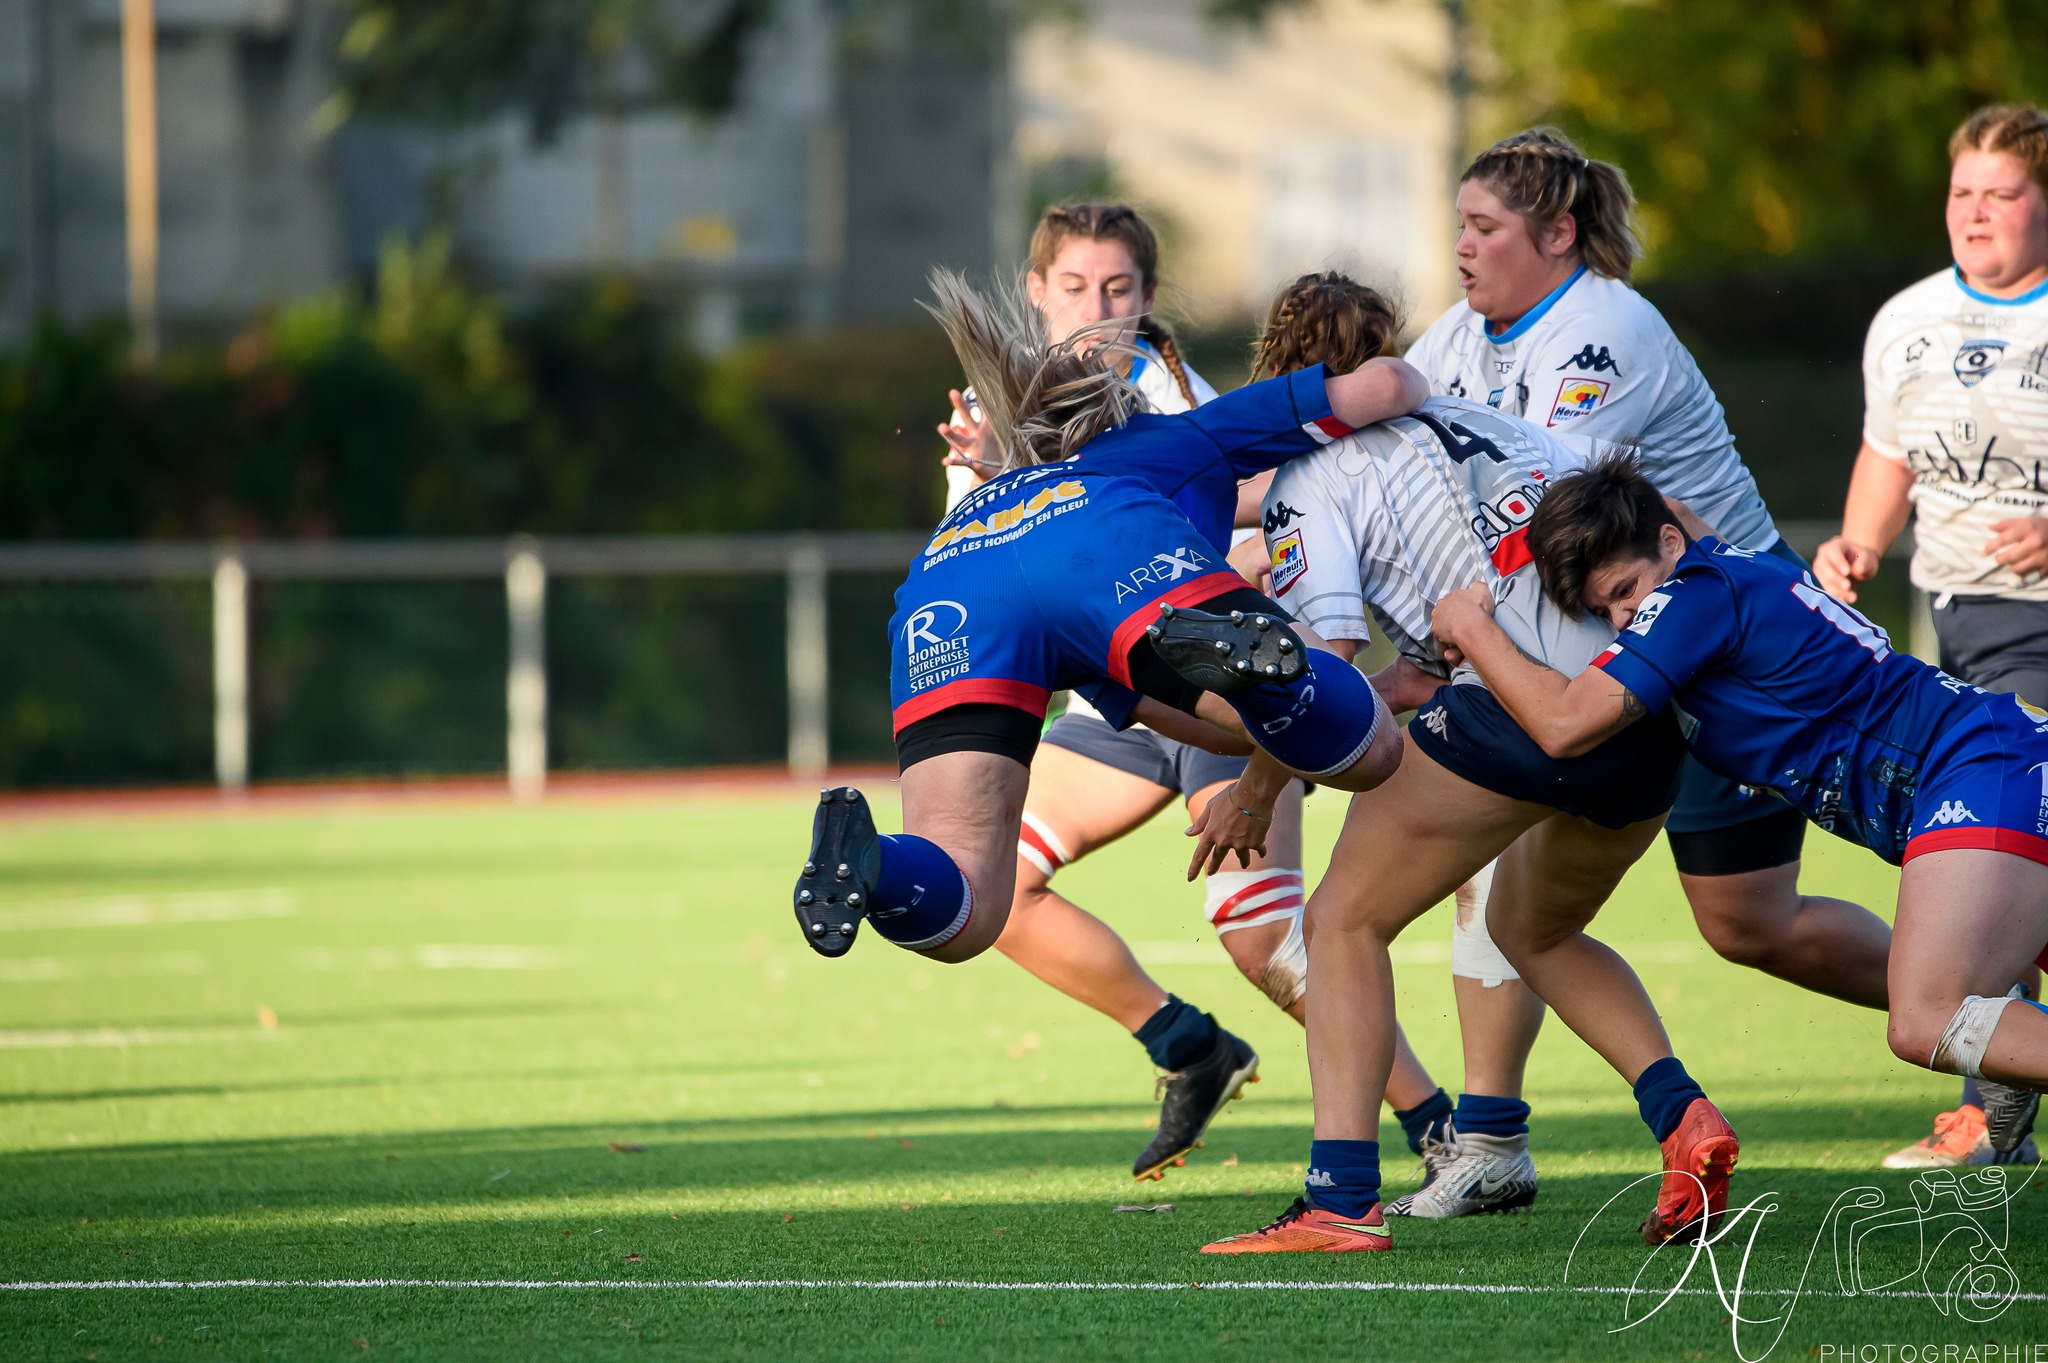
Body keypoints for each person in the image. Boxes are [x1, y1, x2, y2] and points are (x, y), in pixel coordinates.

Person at [1398, 125, 1900, 1165]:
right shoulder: (1453, 338)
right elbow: (1386, 458)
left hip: (1731, 646)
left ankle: (1982, 1009)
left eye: (1483, 227)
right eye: (1459, 225)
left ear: (1555, 235)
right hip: (1616, 641)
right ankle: (1489, 1138)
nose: (1461, 246)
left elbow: (1551, 507)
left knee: (1744, 919)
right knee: (1524, 888)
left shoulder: (1600, 331)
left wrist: (1450, 629)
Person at [1188, 313, 1737, 1257]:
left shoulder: (1308, 476)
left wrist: (1255, 787)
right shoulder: (1481, 414)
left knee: (1342, 921)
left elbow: (1316, 666)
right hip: (1646, 702)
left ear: (1281, 392)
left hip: (1519, 708)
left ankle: (1341, 1200)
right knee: (1535, 929)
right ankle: (1683, 1116)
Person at [793, 271, 1423, 996]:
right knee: (1371, 750)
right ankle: (1255, 663)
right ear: (1114, 405)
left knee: (970, 905)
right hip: (1109, 554)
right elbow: (1389, 385)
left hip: (946, 581)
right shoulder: (1159, 439)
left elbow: (1202, 723)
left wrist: (1254, 726)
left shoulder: (994, 498)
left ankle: (875, 861)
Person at [1434, 455, 2048, 1142]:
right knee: (1943, 1007)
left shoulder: (1695, 593)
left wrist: (1470, 626)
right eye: (1604, 610)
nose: (1624, 615)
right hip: (1998, 761)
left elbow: (1563, 724)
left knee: (1924, 1019)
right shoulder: (1721, 567)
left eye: (1625, 589)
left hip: (1980, 770)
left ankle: (1998, 1028)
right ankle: (2002, 1027)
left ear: (1669, 544)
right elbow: (1669, 508)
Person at [925, 203, 1350, 1182]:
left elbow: (1275, 517)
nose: (1094, 310)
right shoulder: (998, 406)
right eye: (1073, 287)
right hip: (1109, 700)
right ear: (1034, 293)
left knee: (1261, 937)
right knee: (991, 886)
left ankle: (1439, 1121)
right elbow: (984, 565)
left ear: (1147, 300)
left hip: (1204, 681)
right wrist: (992, 475)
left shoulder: (1176, 398)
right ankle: (1186, 1046)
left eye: (1115, 289)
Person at [1812, 102, 2048, 1168]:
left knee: (1994, 863)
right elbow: (1885, 455)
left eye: (2000, 194)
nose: (1974, 213)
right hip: (1949, 632)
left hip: (2037, 634)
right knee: (1999, 867)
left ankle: (1990, 1112)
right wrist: (1855, 547)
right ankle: (1993, 1112)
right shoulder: (1905, 320)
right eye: (1961, 194)